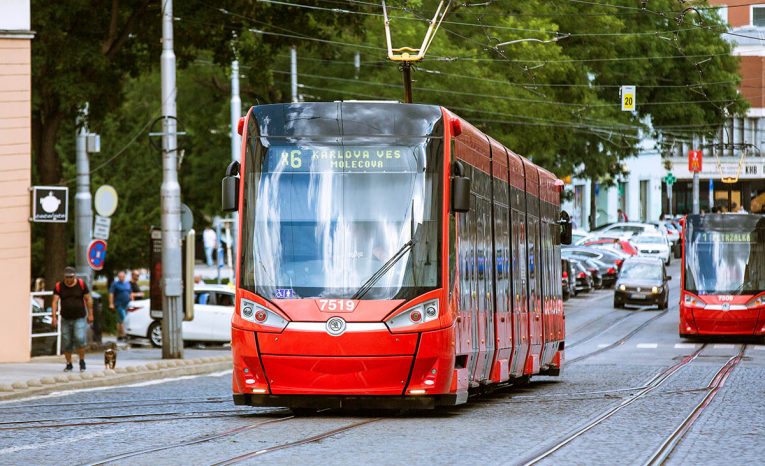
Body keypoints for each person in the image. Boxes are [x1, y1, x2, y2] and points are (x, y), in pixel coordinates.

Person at [51, 266, 93, 372]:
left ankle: (82, 361)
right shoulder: (59, 286)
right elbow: (54, 302)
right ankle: (69, 363)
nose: (69, 280)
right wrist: (54, 317)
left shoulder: (81, 284)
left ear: (74, 276)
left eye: (71, 277)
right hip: (65, 317)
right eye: (67, 277)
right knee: (66, 341)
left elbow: (88, 299)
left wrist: (90, 314)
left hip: (79, 317)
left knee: (79, 338)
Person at [109, 270, 132, 342]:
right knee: (123, 318)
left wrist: (133, 301)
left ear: (124, 276)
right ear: (118, 277)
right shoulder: (115, 284)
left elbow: (130, 293)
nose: (121, 278)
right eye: (120, 276)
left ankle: (119, 335)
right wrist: (111, 303)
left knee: (120, 320)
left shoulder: (127, 283)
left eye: (123, 276)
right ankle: (124, 334)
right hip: (119, 304)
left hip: (128, 304)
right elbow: (111, 294)